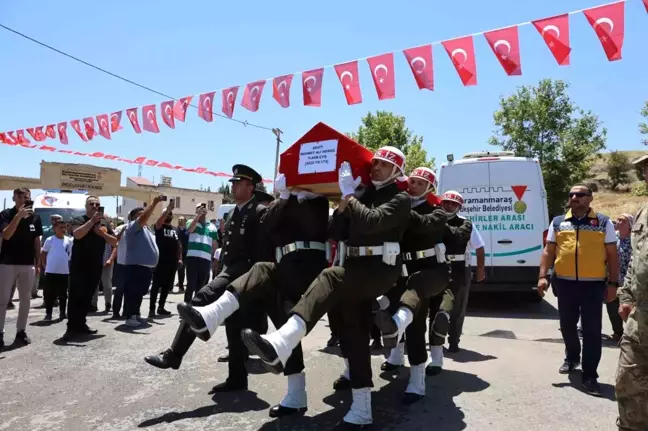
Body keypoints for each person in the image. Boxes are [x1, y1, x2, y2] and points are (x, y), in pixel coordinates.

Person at [242, 147, 411, 428]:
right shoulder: (363, 195)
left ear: (397, 171)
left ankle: (282, 340)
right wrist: (347, 204)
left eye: (384, 165)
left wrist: (347, 195)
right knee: (353, 331)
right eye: (376, 163)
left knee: (330, 277)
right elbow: (334, 232)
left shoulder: (399, 197)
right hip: (354, 270)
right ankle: (361, 408)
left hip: (380, 270)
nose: (377, 168)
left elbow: (372, 223)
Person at [178, 174, 330, 417]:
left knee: (291, 327)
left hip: (306, 269)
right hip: (279, 269)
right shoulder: (282, 202)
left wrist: (297, 196)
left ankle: (349, 388)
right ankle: (296, 393)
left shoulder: (318, 201)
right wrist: (285, 197)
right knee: (284, 326)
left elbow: (312, 224)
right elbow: (268, 224)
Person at [144, 165, 266, 383]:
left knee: (199, 299)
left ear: (251, 186)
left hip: (244, 273)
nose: (234, 186)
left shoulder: (258, 211)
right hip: (229, 270)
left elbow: (260, 250)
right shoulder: (233, 214)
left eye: (238, 183)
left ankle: (173, 355)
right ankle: (237, 378)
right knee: (235, 325)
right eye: (233, 183)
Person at [372, 167, 449, 404]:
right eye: (412, 181)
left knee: (415, 326)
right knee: (394, 310)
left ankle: (417, 382)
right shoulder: (400, 206)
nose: (413, 185)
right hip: (400, 272)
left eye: (419, 183)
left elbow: (422, 225)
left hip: (429, 273)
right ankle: (396, 353)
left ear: (429, 188)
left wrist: (401, 206)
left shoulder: (437, 212)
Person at [537, 184, 618, 397]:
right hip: (564, 283)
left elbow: (612, 254)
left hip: (593, 285)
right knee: (566, 326)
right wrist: (543, 276)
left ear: (590, 199)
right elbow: (548, 251)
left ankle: (590, 375)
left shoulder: (603, 222)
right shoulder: (558, 222)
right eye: (572, 194)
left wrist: (613, 283)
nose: (575, 197)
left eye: (580, 194)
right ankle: (572, 357)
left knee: (592, 331)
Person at [431, 191, 486, 360]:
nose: (448, 206)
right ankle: (435, 340)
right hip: (437, 266)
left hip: (460, 268)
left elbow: (479, 247)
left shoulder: (465, 223)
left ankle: (454, 341)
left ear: (459, 207)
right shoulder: (433, 220)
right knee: (436, 306)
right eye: (446, 202)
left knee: (457, 307)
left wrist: (480, 270)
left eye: (453, 204)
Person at [615, 156, 648, 430]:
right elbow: (634, 263)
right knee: (628, 386)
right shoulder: (642, 213)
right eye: (646, 170)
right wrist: (625, 296)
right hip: (639, 323)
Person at [64, 196, 117, 341]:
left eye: (97, 204)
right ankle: (71, 328)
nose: (94, 206)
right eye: (91, 204)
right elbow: (77, 234)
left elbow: (115, 242)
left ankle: (81, 324)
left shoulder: (105, 222)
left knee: (87, 297)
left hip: (95, 265)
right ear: (86, 206)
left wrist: (102, 233)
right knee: (75, 297)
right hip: (79, 265)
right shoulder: (78, 220)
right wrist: (92, 221)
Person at [0, 188, 43, 348]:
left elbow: (36, 241)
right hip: (7, 263)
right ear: (13, 198)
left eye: (26, 197)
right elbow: (6, 235)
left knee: (25, 300)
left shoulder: (35, 218)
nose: (23, 199)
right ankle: (0, 333)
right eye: (19, 196)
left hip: (27, 264)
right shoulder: (5, 214)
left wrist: (38, 262)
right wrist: (18, 216)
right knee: (2, 301)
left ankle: (21, 332)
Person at [123, 199, 162, 327]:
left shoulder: (147, 230)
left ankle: (136, 313)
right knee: (133, 291)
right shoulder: (133, 226)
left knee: (140, 292)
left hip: (146, 267)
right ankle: (130, 316)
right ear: (133, 217)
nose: (144, 215)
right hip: (136, 266)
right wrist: (154, 203)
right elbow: (144, 217)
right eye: (140, 214)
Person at [149, 200, 182, 320]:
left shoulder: (175, 229)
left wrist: (180, 259)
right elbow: (160, 220)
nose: (169, 216)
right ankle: (152, 309)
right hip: (160, 261)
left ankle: (161, 307)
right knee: (156, 285)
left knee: (167, 286)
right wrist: (168, 209)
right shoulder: (159, 226)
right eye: (166, 214)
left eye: (170, 214)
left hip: (172, 262)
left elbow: (179, 245)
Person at [184, 203, 219, 302]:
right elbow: (190, 229)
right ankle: (186, 305)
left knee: (201, 285)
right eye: (200, 207)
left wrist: (215, 259)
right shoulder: (191, 221)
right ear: (196, 210)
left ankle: (196, 307)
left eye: (204, 207)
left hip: (205, 259)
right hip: (192, 258)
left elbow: (215, 244)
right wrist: (198, 216)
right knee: (191, 284)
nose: (202, 209)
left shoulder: (212, 226)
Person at [41, 219, 73, 321]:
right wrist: (44, 265)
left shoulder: (69, 240)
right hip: (51, 271)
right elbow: (44, 254)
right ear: (55, 228)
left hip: (64, 271)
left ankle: (62, 313)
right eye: (60, 227)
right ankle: (48, 314)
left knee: (63, 294)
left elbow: (70, 255)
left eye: (65, 227)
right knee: (49, 294)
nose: (63, 229)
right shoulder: (49, 240)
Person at [110, 219, 129, 320]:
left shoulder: (142, 227)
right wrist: (123, 231)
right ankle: (116, 312)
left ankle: (127, 312)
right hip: (122, 263)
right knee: (120, 289)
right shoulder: (121, 227)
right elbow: (114, 240)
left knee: (130, 289)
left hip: (134, 263)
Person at [91, 240, 114, 314]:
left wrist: (110, 259)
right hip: (95, 263)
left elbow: (115, 247)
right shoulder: (93, 236)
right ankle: (93, 305)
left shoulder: (110, 235)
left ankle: (108, 304)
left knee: (107, 284)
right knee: (94, 284)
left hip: (107, 263)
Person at [176, 216, 189, 293]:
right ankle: (170, 286)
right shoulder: (175, 230)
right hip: (176, 252)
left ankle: (181, 286)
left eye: (182, 219)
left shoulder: (187, 231)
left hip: (185, 253)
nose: (181, 220)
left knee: (182, 270)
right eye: (179, 219)